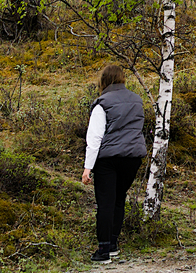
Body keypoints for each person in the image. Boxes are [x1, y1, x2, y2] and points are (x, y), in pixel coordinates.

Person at [81, 63, 146, 263]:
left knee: (106, 203)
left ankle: (103, 251)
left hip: (108, 159)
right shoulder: (137, 100)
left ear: (104, 80)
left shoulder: (102, 103)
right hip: (134, 157)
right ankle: (114, 244)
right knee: (119, 199)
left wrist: (87, 168)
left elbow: (95, 138)